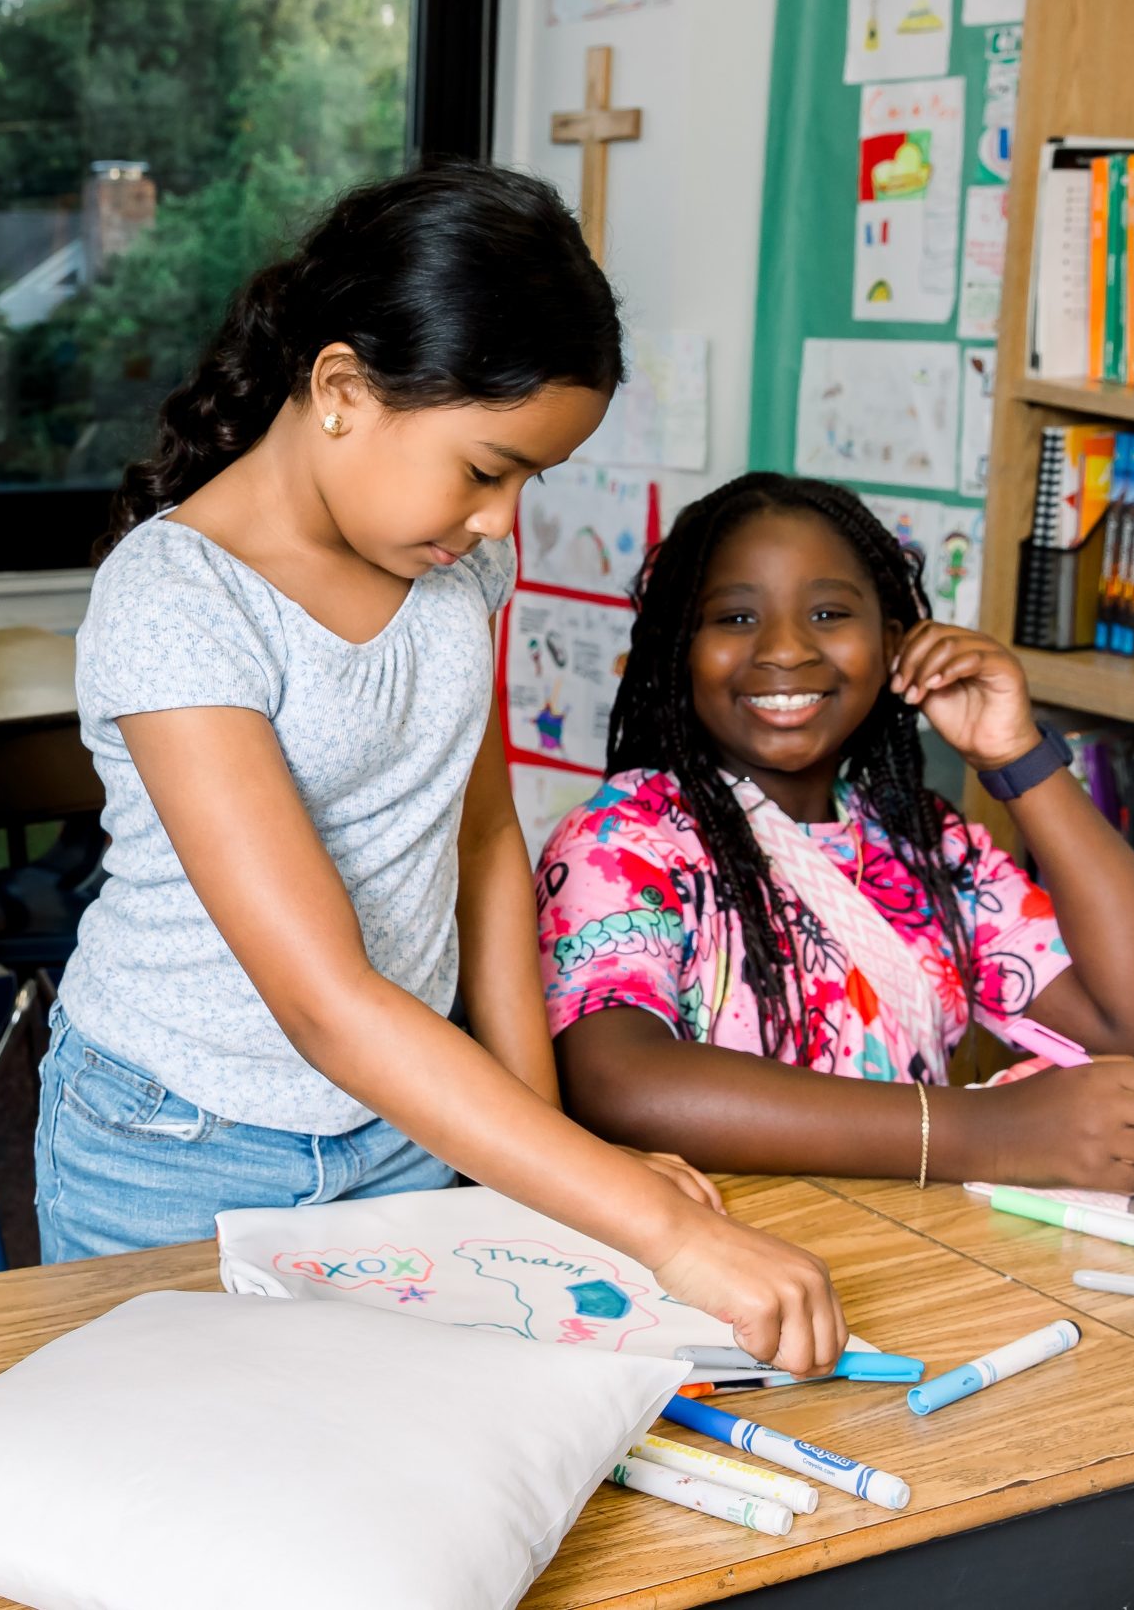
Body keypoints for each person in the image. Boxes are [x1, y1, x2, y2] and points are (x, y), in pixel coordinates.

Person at [44, 162, 844, 1374]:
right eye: (485, 470)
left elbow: (480, 850)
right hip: (178, 1142)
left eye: (531, 479)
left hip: (408, 1122)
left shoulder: (453, 568)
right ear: (340, 389)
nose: (502, 522)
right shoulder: (176, 600)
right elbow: (327, 1003)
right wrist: (660, 1231)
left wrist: (537, 1150)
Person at [540, 473, 1134, 1189]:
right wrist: (985, 1132)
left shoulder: (926, 846)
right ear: (677, 645)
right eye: (736, 618)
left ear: (893, 641)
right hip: (722, 1255)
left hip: (904, 1246)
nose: (785, 649)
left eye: (830, 613)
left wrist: (1017, 756)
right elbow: (619, 1081)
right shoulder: (623, 842)